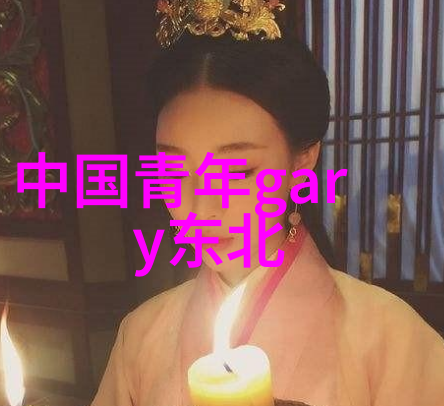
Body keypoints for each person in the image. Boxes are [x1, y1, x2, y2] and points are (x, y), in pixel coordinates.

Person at [91, 1, 444, 405]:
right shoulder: (141, 335)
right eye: (172, 171)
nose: (202, 209)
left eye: (237, 172)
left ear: (302, 159)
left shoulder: (390, 340)